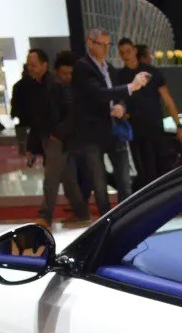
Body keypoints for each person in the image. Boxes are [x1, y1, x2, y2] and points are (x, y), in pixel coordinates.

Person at [72, 30, 147, 216]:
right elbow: (98, 94)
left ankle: (126, 217)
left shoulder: (110, 69)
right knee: (99, 184)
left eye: (108, 45)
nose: (105, 49)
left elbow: (118, 96)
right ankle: (107, 222)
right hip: (93, 134)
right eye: (101, 44)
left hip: (115, 130)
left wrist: (121, 106)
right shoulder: (82, 67)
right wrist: (131, 87)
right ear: (90, 43)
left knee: (124, 180)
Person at [116, 38, 182, 190]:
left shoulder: (152, 72)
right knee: (144, 172)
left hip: (155, 128)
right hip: (136, 132)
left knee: (161, 169)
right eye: (122, 53)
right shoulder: (119, 77)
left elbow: (167, 99)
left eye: (128, 51)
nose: (126, 55)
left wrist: (179, 126)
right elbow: (118, 102)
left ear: (135, 51)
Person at [38, 50, 87, 227]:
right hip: (60, 137)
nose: (68, 77)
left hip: (59, 138)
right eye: (65, 73)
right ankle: (81, 212)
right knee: (68, 179)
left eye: (70, 73)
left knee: (52, 178)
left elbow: (69, 115)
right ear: (57, 71)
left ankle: (45, 216)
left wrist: (57, 133)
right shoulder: (56, 86)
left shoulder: (60, 87)